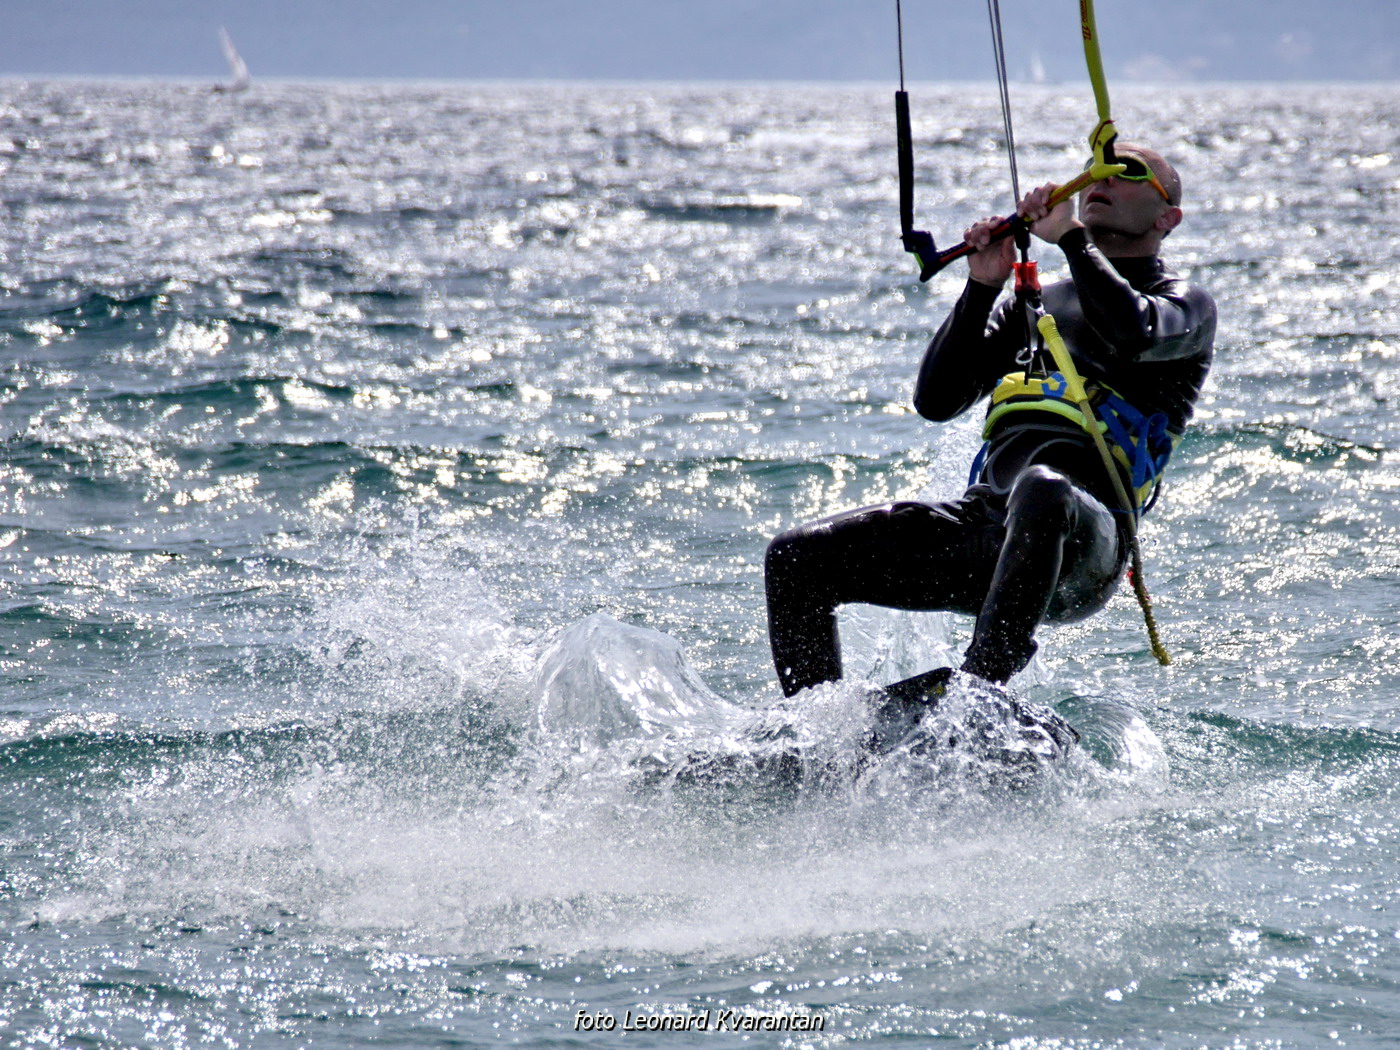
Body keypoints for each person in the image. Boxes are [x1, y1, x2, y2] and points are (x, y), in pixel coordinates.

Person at [765, 143, 1216, 699]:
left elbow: (1132, 332)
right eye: (1096, 167)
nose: (1100, 178)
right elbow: (937, 400)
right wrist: (982, 286)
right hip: (991, 530)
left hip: (1084, 542)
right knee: (794, 559)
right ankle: (820, 732)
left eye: (1127, 172)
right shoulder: (1035, 303)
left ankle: (977, 689)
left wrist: (1071, 239)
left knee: (1043, 486)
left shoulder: (1181, 303)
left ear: (1168, 216)